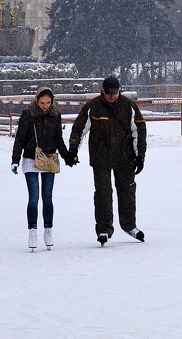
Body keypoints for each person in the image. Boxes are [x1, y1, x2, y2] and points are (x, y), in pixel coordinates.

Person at [68, 76, 148, 246]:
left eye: (116, 92)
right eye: (109, 93)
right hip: (100, 157)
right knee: (103, 193)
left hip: (124, 156)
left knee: (127, 192)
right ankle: (104, 229)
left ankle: (129, 225)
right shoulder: (93, 107)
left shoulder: (128, 106)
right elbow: (79, 128)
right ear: (103, 91)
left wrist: (140, 156)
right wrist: (73, 151)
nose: (113, 96)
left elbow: (139, 130)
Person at [12, 87, 72, 251]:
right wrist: (15, 160)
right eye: (42, 102)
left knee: (47, 197)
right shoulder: (28, 114)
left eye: (48, 102)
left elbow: (59, 139)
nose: (45, 106)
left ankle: (48, 230)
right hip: (31, 159)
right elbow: (20, 138)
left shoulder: (55, 115)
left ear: (52, 102)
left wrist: (68, 157)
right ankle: (32, 231)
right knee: (33, 197)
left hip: (49, 160)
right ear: (37, 101)